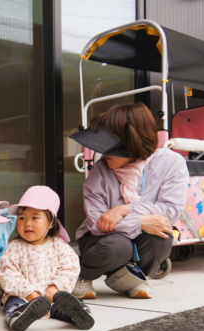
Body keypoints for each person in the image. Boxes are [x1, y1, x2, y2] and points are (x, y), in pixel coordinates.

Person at [70, 103, 187, 299]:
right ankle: (84, 275)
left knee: (161, 235)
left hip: (135, 235)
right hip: (99, 240)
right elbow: (98, 223)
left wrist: (125, 210)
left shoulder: (171, 163)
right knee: (119, 245)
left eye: (111, 145)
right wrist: (140, 221)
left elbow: (170, 211)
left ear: (134, 143)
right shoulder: (100, 170)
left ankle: (133, 277)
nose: (104, 151)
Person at [0, 186, 95, 331]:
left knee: (66, 304)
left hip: (53, 298)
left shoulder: (58, 245)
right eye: (22, 217)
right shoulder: (14, 247)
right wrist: (28, 292)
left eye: (35, 217)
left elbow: (70, 267)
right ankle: (17, 317)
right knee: (13, 303)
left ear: (51, 223)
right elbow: (8, 273)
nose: (27, 223)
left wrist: (56, 287)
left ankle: (81, 313)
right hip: (23, 297)